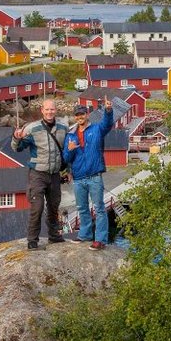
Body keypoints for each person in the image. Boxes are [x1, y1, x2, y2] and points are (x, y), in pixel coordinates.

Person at [11, 99, 69, 250]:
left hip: (55, 174)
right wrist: (16, 138)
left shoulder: (63, 128)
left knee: (54, 206)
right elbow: (17, 148)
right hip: (37, 174)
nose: (50, 112)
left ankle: (54, 236)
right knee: (37, 207)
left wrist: (68, 171)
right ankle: (32, 240)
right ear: (42, 111)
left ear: (56, 110)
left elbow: (66, 152)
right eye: (47, 109)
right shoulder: (32, 128)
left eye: (52, 109)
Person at [63, 98, 114, 250]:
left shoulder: (97, 129)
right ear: (75, 117)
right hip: (78, 179)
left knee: (99, 208)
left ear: (87, 115)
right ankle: (84, 235)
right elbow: (66, 158)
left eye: (82, 114)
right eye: (77, 115)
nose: (80, 117)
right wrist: (69, 150)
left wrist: (108, 111)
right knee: (82, 208)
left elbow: (108, 123)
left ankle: (100, 240)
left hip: (94, 177)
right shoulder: (70, 136)